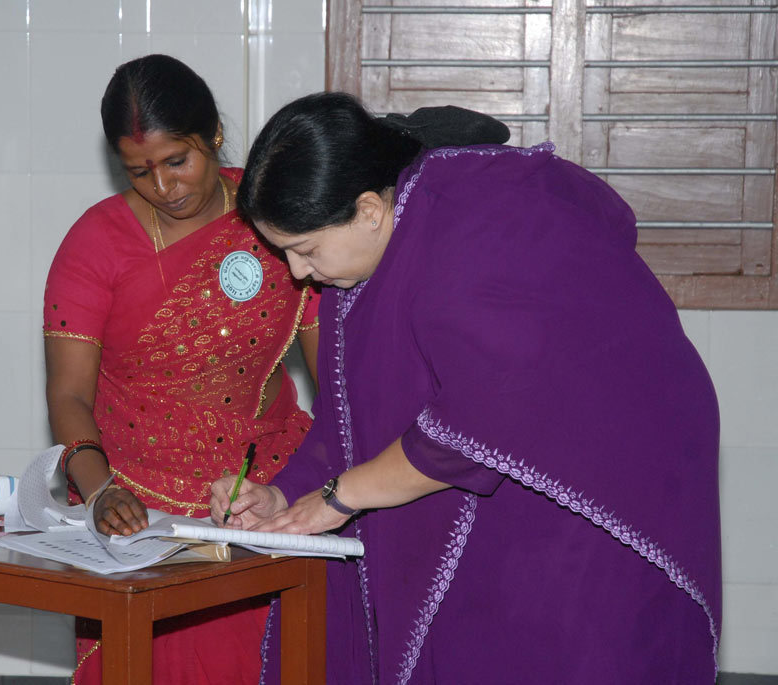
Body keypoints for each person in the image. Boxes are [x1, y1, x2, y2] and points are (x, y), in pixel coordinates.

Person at [211, 92, 721, 684]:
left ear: (370, 209)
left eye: (304, 250)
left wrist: (338, 497)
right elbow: (353, 416)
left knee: (559, 646)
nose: (298, 273)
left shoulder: (477, 232)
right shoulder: (364, 261)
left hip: (597, 488)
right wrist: (286, 494)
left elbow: (480, 425)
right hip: (499, 474)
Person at [42, 54, 319, 684]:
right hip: (137, 507)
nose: (165, 188)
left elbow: (334, 374)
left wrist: (322, 485)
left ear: (213, 136)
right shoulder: (96, 241)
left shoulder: (272, 213)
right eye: (138, 172)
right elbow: (68, 395)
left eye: (178, 161)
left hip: (263, 497)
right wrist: (102, 487)